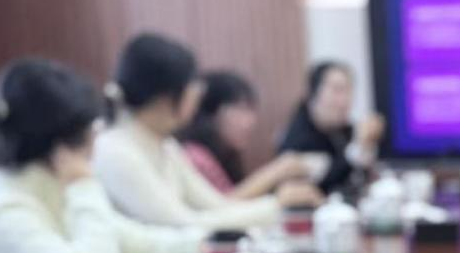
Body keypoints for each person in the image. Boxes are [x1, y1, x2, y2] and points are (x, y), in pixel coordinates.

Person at [0, 59, 202, 253]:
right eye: (92, 128)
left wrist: (205, 243)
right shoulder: (7, 207)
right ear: (62, 142)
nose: (97, 137)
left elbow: (131, 240)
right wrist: (83, 186)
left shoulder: (52, 183)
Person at [93, 33, 321, 231]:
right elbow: (181, 224)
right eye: (191, 85)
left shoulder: (165, 145)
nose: (198, 93)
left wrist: (279, 203)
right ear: (164, 98)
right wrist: (277, 204)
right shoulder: (117, 152)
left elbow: (217, 206)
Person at [177, 71, 311, 198]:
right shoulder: (194, 155)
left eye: (251, 110)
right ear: (211, 113)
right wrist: (278, 171)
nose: (250, 122)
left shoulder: (225, 154)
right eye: (241, 109)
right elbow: (222, 205)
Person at [279, 61, 385, 193]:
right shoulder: (298, 140)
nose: (345, 101)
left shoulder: (343, 129)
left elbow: (361, 176)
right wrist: (358, 147)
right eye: (337, 90)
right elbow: (323, 186)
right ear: (313, 93)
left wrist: (368, 143)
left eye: (349, 91)